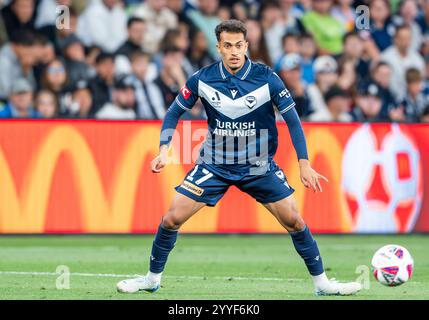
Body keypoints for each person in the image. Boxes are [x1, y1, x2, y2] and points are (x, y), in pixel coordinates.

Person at [116, 19, 362, 296]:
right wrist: (164, 149)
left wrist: (304, 164)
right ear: (219, 47)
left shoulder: (267, 78)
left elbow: (293, 121)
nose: (234, 51)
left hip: (258, 165)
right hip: (214, 164)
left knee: (295, 220)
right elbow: (173, 112)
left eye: (239, 45)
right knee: (171, 218)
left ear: (246, 46)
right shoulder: (202, 78)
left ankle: (323, 285)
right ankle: (151, 279)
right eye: (228, 45)